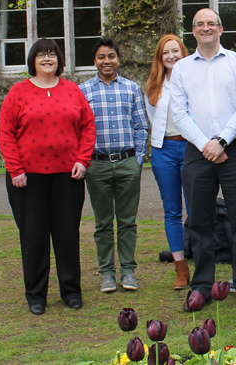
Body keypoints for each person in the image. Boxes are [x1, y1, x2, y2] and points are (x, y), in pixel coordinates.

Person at [170, 8, 236, 310]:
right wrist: (204, 144)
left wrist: (222, 141)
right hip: (197, 152)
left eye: (211, 23)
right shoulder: (182, 68)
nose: (206, 28)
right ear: (193, 31)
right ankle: (201, 287)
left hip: (234, 150)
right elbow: (180, 112)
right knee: (199, 221)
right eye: (200, 24)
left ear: (221, 29)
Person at [0, 38, 96, 315]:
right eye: (41, 55)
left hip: (68, 176)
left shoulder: (72, 90)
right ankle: (36, 295)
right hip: (27, 180)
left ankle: (71, 291)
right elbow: (5, 133)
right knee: (34, 237)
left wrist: (82, 159)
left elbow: (88, 127)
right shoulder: (18, 92)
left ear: (59, 60)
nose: (47, 58)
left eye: (52, 54)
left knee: (67, 235)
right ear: (33, 60)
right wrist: (15, 169)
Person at [79, 38, 149, 293]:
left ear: (118, 59)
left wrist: (138, 160)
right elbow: (78, 129)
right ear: (94, 61)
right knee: (103, 223)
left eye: (111, 56)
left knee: (128, 221)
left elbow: (141, 125)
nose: (106, 61)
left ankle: (128, 271)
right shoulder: (83, 90)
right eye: (101, 57)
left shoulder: (131, 88)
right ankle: (107, 273)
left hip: (126, 163)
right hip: (96, 166)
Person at [144, 34, 190, 290]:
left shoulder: (193, 81)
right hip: (164, 150)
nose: (171, 56)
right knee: (172, 210)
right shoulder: (154, 85)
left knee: (196, 208)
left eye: (176, 51)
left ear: (183, 53)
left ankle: (205, 262)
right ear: (160, 58)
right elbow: (154, 120)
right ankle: (181, 269)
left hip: (191, 147)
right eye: (166, 53)